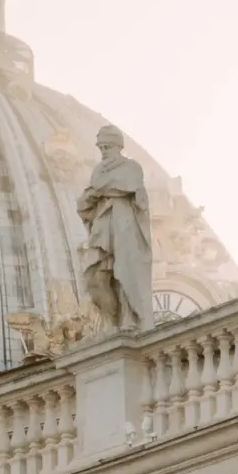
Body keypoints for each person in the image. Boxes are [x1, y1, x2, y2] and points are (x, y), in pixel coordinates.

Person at [78, 126, 155, 332]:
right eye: (101, 147)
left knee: (124, 272)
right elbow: (88, 199)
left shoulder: (131, 167)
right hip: (103, 229)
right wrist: (101, 190)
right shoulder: (98, 171)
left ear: (118, 147)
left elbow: (121, 186)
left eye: (107, 147)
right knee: (97, 276)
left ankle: (128, 317)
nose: (103, 151)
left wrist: (102, 189)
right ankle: (110, 319)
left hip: (124, 226)